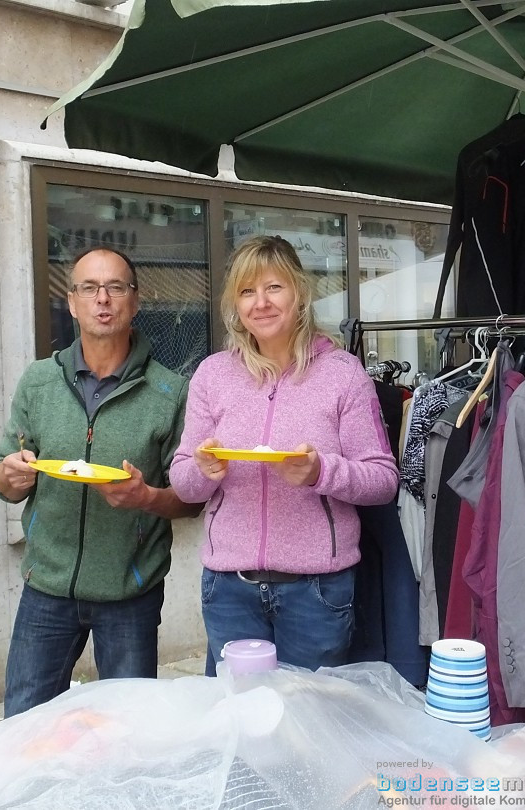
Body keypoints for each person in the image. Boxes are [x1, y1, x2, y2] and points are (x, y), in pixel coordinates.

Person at [169, 235, 399, 673]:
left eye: (274, 287)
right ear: (234, 304)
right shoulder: (212, 375)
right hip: (228, 589)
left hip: (317, 590)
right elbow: (183, 481)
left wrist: (321, 471)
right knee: (242, 721)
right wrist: (204, 470)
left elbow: (383, 481)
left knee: (308, 724)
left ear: (299, 293)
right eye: (246, 291)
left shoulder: (343, 375)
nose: (261, 303)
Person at [0, 246, 200, 717]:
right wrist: (11, 476)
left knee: (129, 731)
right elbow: (2, 476)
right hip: (46, 587)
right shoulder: (38, 382)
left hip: (131, 591)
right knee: (22, 725)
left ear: (136, 300)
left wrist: (146, 497)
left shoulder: (169, 393)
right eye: (89, 288)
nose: (102, 299)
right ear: (71, 302)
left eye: (115, 287)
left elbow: (189, 501)